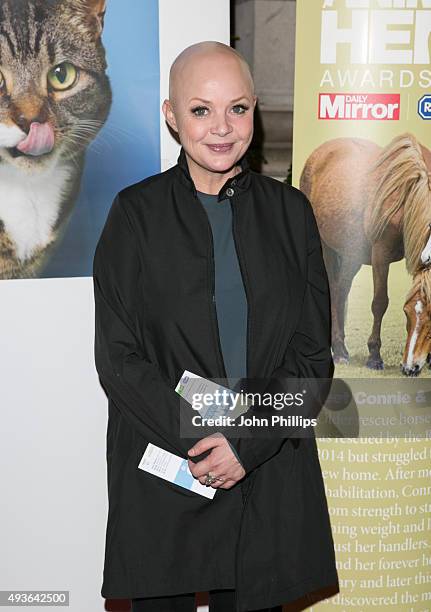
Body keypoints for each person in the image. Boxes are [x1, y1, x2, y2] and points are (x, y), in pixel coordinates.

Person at [92, 41, 339, 612]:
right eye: (201, 110)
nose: (222, 128)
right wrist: (210, 443)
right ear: (172, 117)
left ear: (255, 110)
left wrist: (245, 443)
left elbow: (311, 355)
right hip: (169, 465)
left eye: (239, 108)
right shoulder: (135, 215)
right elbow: (120, 359)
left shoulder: (291, 212)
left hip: (265, 467)